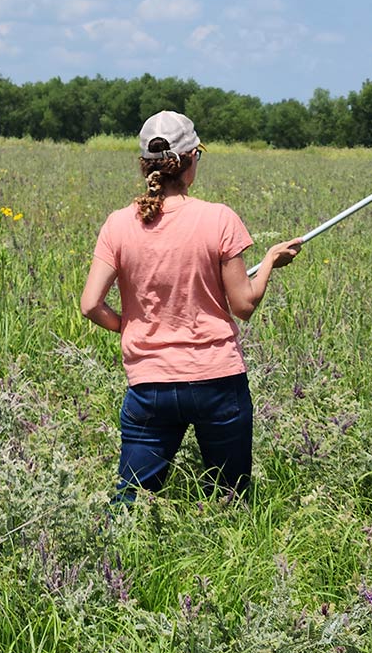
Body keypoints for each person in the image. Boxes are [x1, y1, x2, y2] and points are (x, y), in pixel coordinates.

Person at [80, 111, 303, 500]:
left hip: (150, 384)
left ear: (145, 166)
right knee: (230, 497)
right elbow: (244, 305)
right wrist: (268, 262)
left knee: (129, 500)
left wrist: (130, 326)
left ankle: (116, 557)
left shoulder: (117, 224)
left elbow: (89, 305)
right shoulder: (218, 218)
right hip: (217, 380)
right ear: (191, 160)